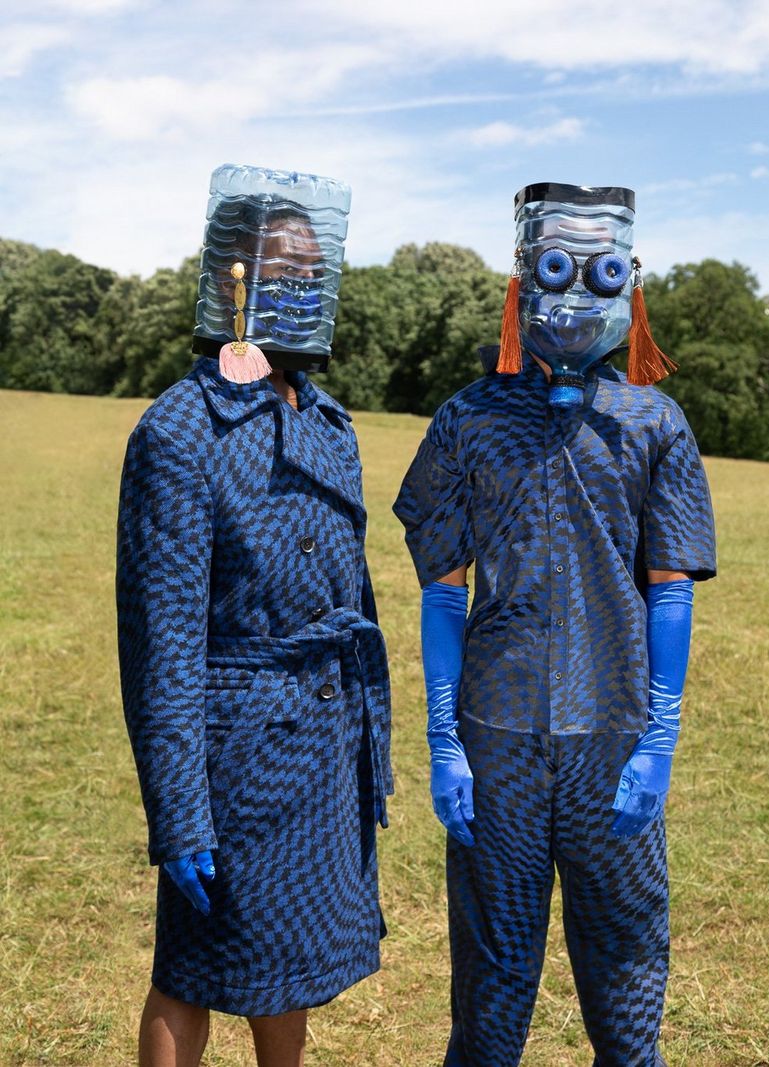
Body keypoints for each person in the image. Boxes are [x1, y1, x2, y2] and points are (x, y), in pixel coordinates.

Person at [393, 182, 716, 1066]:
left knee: (626, 976)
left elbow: (672, 589)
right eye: (556, 267)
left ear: (630, 280)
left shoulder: (654, 421)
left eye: (602, 271)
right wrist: (444, 738)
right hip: (496, 745)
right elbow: (443, 590)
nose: (577, 293)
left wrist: (661, 735)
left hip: (613, 740)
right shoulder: (469, 418)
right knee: (490, 987)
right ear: (523, 275)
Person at [116, 163, 391, 1067]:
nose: (303, 283)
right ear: (232, 268)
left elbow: (355, 591)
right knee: (193, 967)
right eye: (286, 265)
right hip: (235, 751)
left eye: (315, 269)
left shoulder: (328, 421)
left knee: (294, 961)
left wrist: (368, 745)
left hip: (323, 744)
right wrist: (181, 810)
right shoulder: (179, 432)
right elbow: (160, 648)